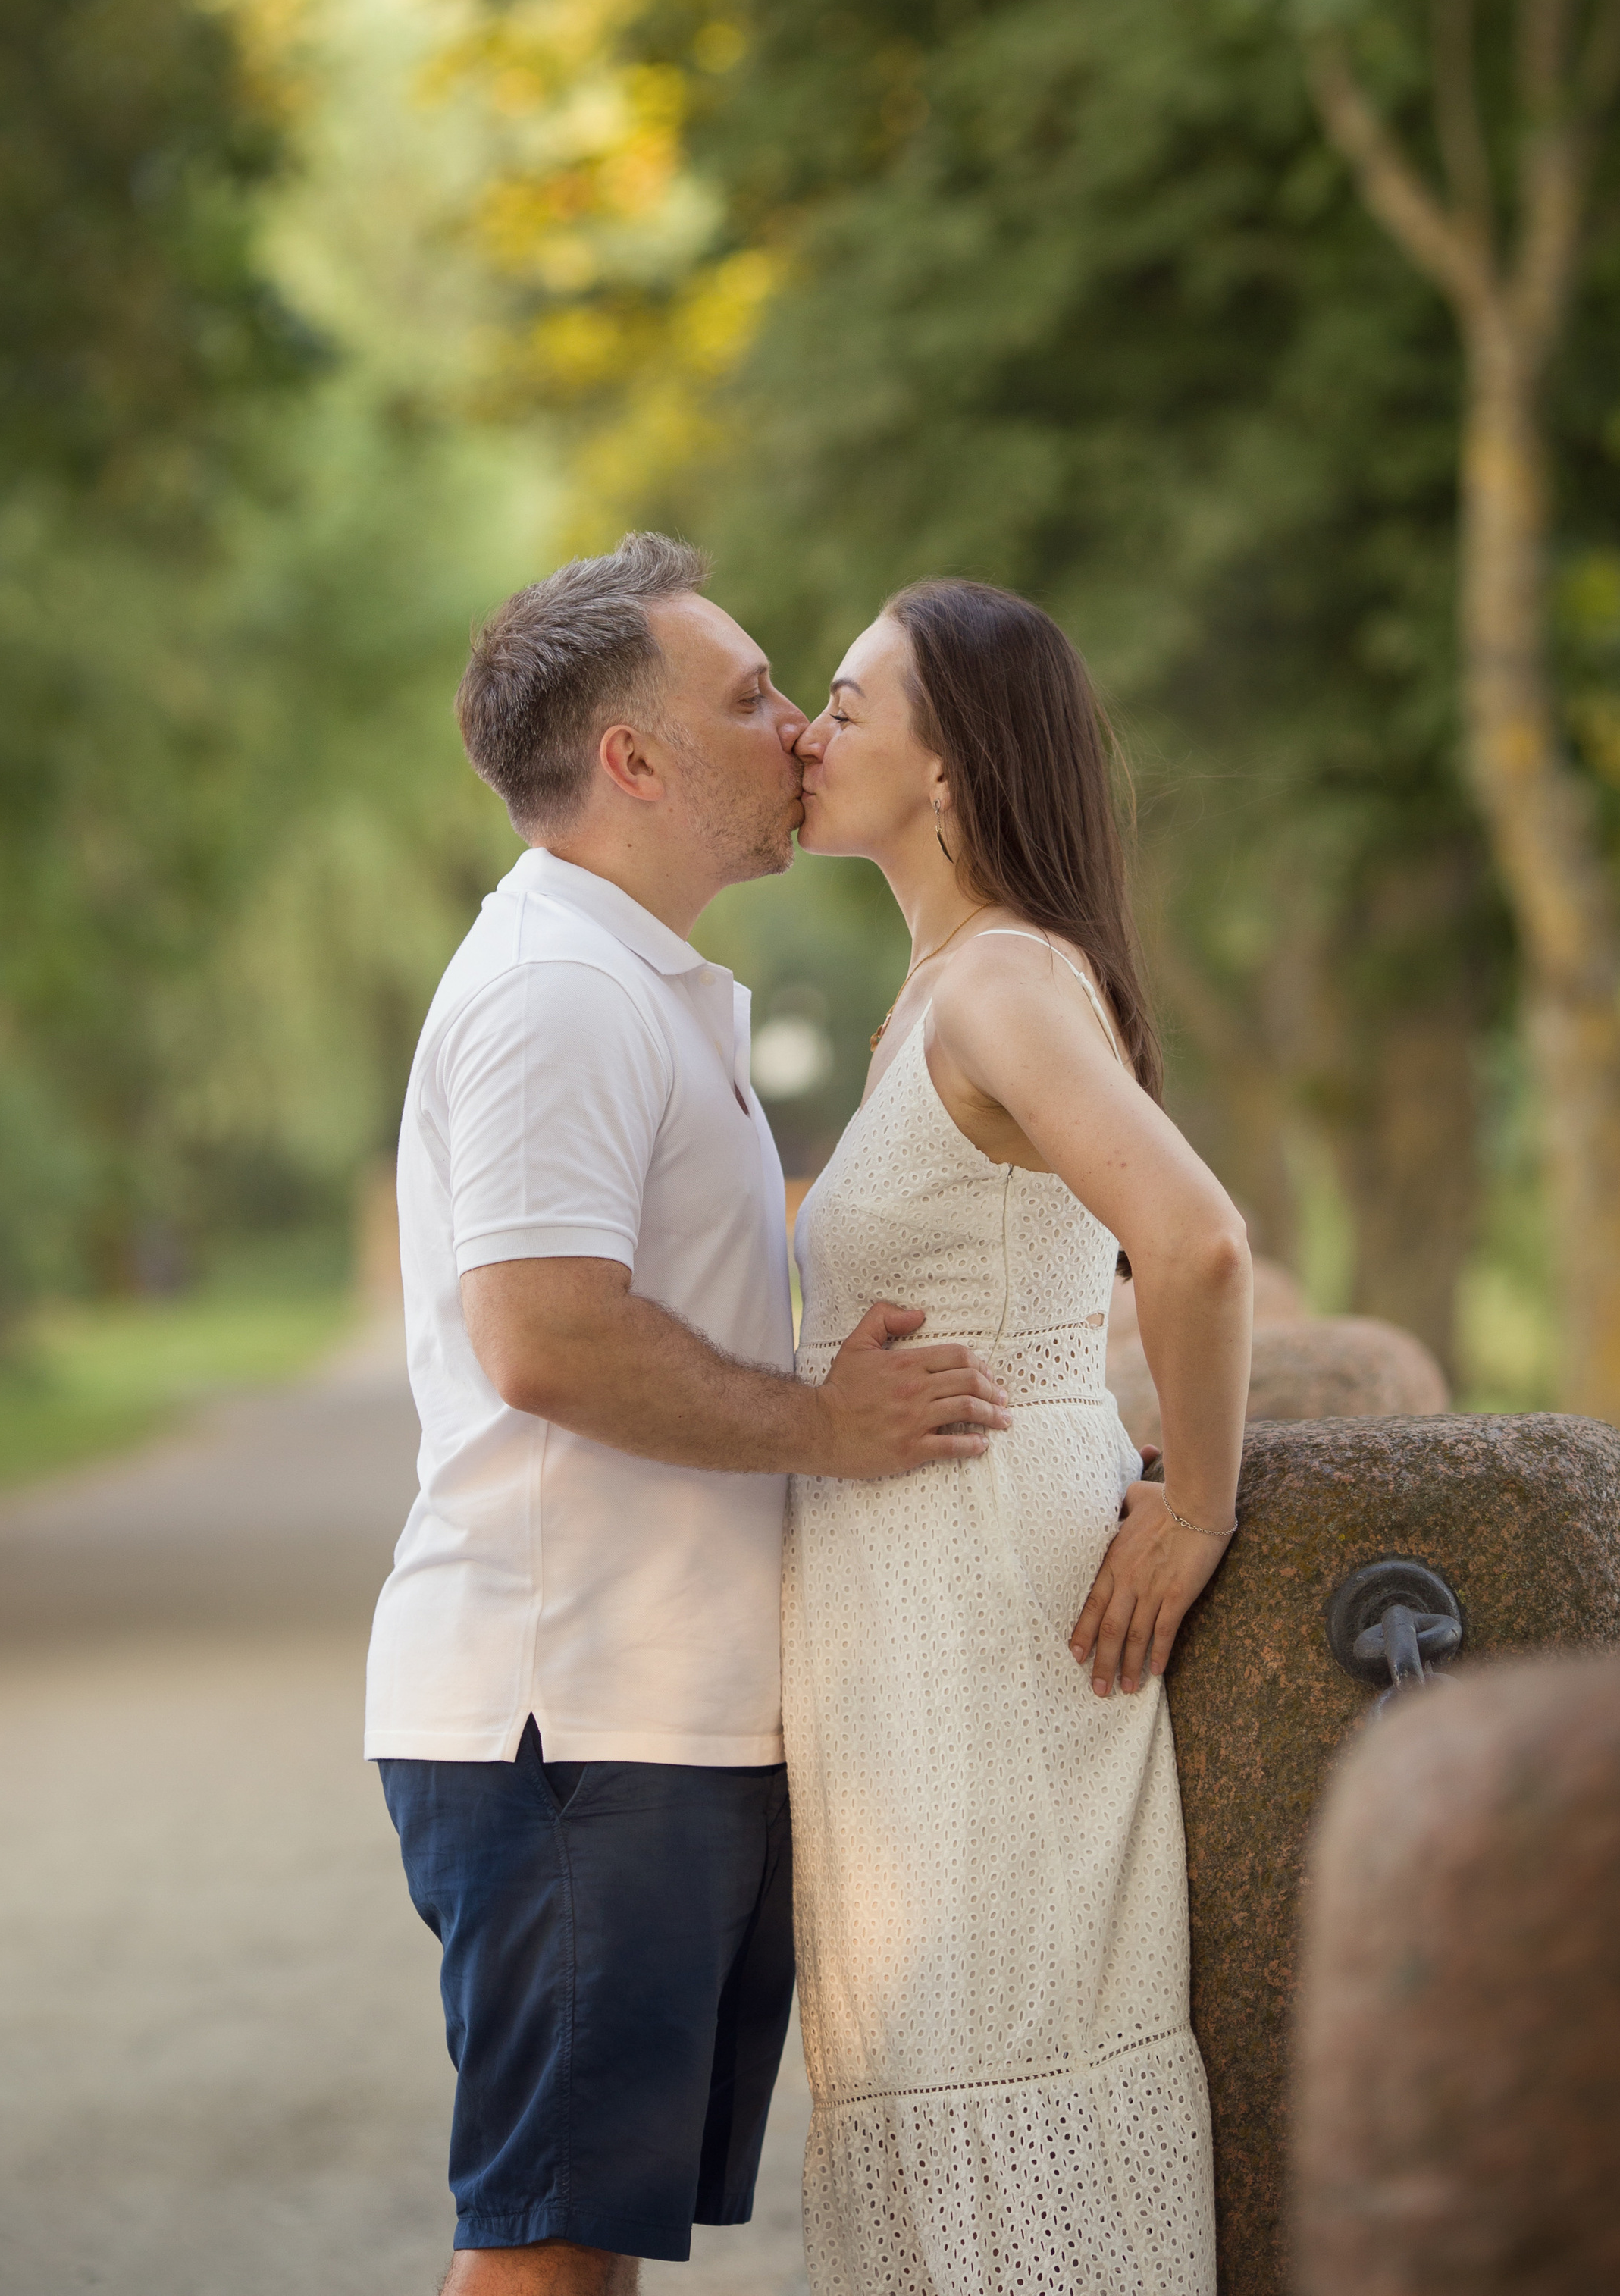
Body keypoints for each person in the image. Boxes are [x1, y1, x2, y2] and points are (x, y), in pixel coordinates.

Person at [365, 533, 1013, 2296]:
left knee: (593, 2242)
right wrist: (833, 1426)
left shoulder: (634, 986)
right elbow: (548, 1341)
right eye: (747, 697)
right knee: (550, 2249)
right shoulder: (560, 994)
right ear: (633, 759)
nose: (794, 722)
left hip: (652, 1723)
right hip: (571, 1721)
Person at [785, 577, 1252, 2296]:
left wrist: (1189, 1505)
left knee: (1001, 2062)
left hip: (987, 1606)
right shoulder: (945, 991)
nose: (806, 732)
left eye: (845, 701)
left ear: (951, 774)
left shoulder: (996, 987)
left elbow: (1192, 1242)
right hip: (910, 1621)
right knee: (930, 2077)